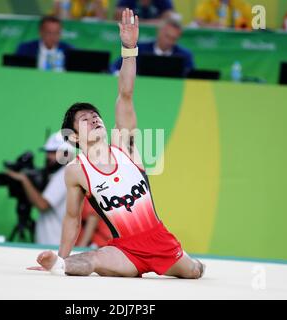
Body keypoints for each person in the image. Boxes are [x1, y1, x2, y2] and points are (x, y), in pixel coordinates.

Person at [28, 9, 205, 280]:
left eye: (95, 116)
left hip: (159, 241)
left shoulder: (124, 145)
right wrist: (61, 256)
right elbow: (72, 219)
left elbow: (126, 93)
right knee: (91, 259)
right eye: (85, 120)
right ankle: (60, 265)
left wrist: (129, 48)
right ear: (73, 136)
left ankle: (196, 264)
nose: (95, 120)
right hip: (125, 251)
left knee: (194, 272)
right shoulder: (76, 170)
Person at [7, 131, 74, 245]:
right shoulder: (58, 174)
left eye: (53, 152)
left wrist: (24, 180)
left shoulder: (65, 174)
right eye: (48, 152)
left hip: (55, 244)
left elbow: (42, 205)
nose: (48, 156)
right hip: (52, 243)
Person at [110, 17, 195, 76]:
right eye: (167, 36)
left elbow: (191, 78)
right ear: (159, 32)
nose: (169, 41)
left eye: (174, 38)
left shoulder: (185, 55)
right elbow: (115, 67)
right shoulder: (140, 49)